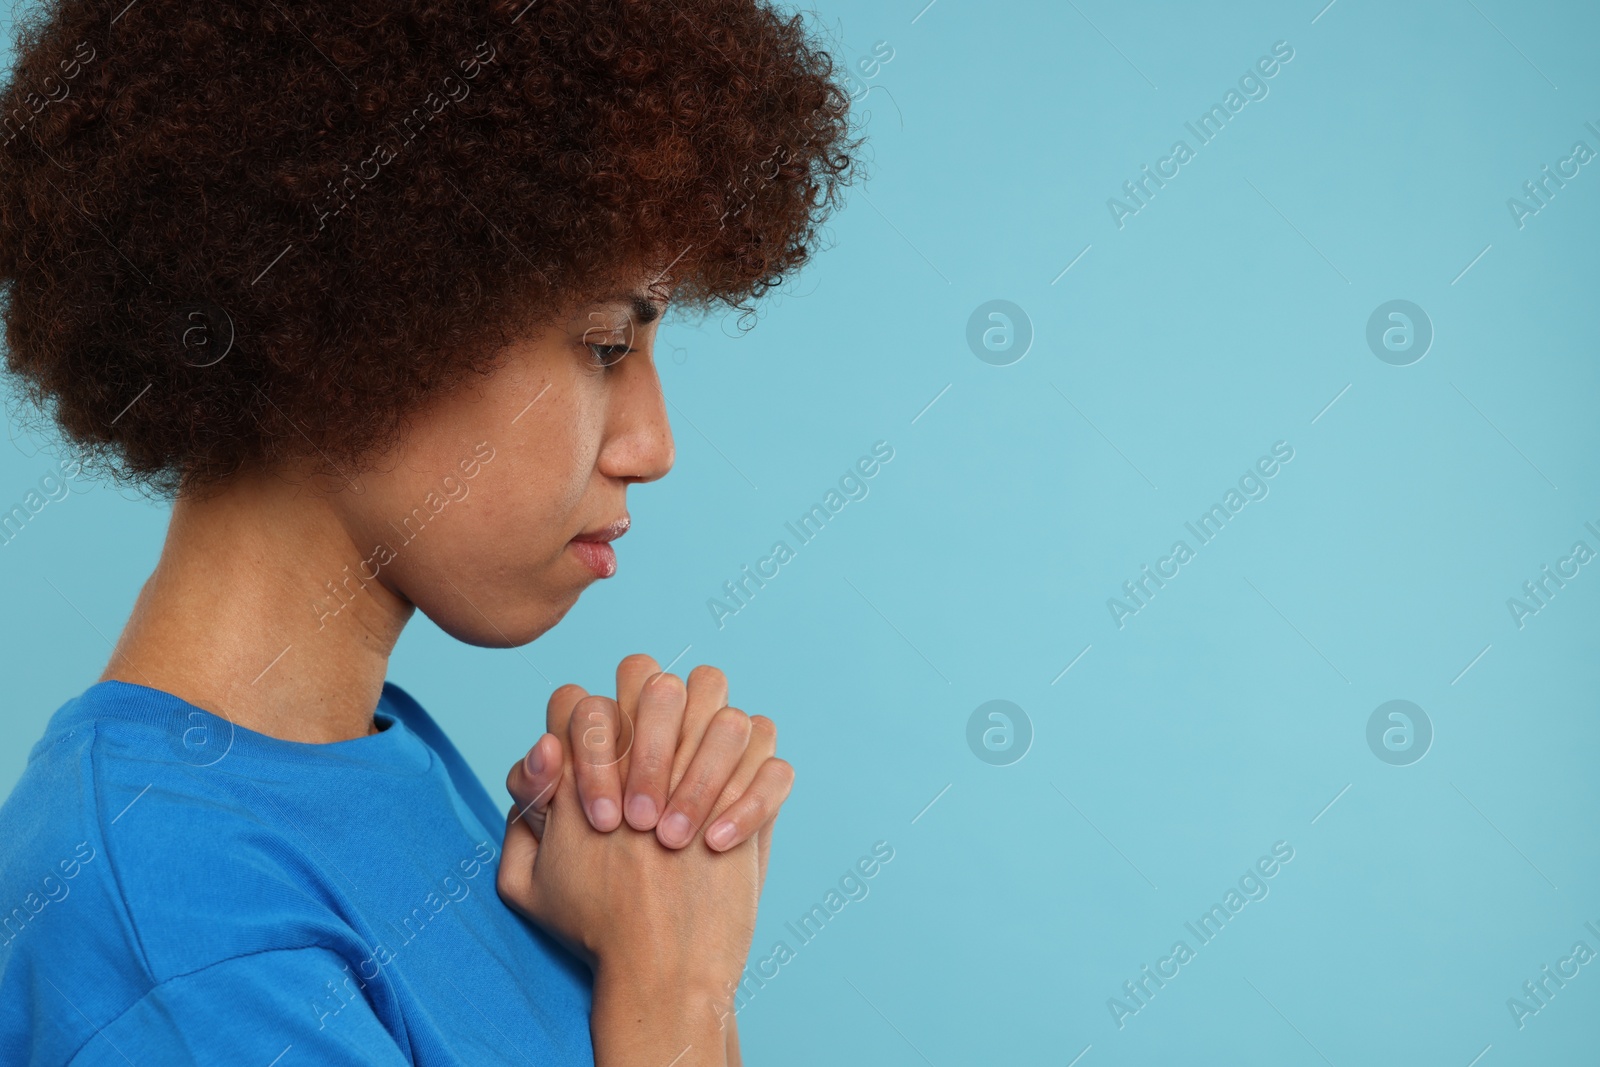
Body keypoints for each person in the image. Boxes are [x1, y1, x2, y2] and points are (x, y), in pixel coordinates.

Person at [0, 0, 863, 1063]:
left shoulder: (378, 761)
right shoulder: (181, 939)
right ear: (352, 317)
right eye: (604, 342)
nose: (652, 441)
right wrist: (676, 987)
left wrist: (654, 929)